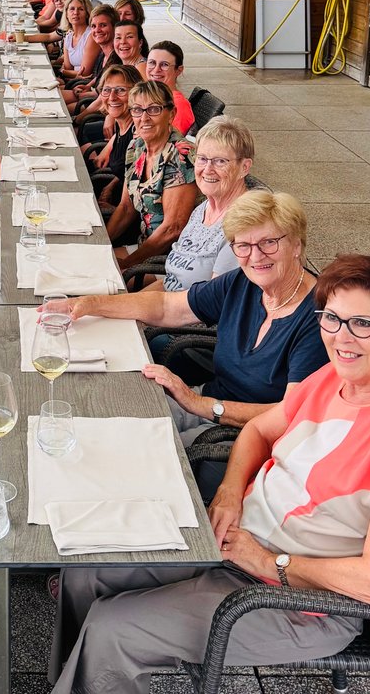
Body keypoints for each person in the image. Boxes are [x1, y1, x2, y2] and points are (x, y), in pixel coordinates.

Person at [14, 254, 370, 694]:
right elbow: (260, 429)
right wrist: (228, 493)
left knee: (118, 624)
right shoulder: (334, 381)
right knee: (90, 568)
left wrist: (271, 564)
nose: (341, 337)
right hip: (238, 539)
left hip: (299, 600)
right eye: (331, 319)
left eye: (361, 323)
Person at [67, 189, 326, 463]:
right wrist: (89, 304)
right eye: (243, 246)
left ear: (297, 244)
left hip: (244, 437)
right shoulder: (242, 283)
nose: (256, 256)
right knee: (102, 418)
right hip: (207, 403)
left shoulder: (320, 319)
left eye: (269, 242)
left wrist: (198, 403)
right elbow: (167, 307)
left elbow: (292, 413)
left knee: (134, 456)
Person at [104, 81, 197, 273]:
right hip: (146, 248)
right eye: (137, 110)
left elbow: (173, 228)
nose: (144, 118)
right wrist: (101, 243)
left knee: (100, 280)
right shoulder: (137, 146)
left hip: (174, 260)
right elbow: (125, 208)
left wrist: (128, 265)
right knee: (88, 264)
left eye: (154, 109)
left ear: (171, 114)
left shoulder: (180, 155)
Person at [159, 117, 255, 291]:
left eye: (220, 161)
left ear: (245, 167)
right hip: (166, 301)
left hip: (187, 315)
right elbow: (171, 280)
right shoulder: (202, 210)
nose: (207, 169)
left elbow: (212, 304)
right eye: (202, 159)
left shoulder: (243, 226)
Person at [79, 64, 138, 191]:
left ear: (136, 93)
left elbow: (132, 181)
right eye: (106, 90)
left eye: (121, 90)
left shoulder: (138, 133)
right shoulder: (121, 124)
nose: (112, 97)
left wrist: (108, 191)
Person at [145, 41, 195, 136]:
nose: (156, 70)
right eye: (152, 63)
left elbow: (171, 143)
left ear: (178, 70)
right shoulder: (150, 96)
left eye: (164, 65)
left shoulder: (178, 106)